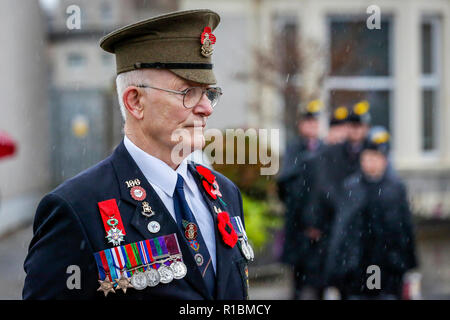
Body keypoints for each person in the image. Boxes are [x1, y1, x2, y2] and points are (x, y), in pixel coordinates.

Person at [23, 9, 253, 300]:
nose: (206, 108)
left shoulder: (224, 194)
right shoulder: (77, 208)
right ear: (135, 102)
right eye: (188, 92)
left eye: (209, 93)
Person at [324, 127, 418, 299]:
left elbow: (405, 230)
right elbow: (341, 230)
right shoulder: (351, 187)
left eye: (377, 157)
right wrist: (334, 274)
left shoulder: (395, 188)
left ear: (385, 160)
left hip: (389, 269)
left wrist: (410, 268)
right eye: (368, 157)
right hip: (356, 270)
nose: (372, 162)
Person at [277, 99, 325, 299]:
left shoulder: (324, 149)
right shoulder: (294, 148)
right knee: (298, 281)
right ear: (302, 125)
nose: (312, 127)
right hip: (298, 225)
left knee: (320, 281)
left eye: (315, 122)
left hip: (321, 227)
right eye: (308, 122)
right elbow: (285, 183)